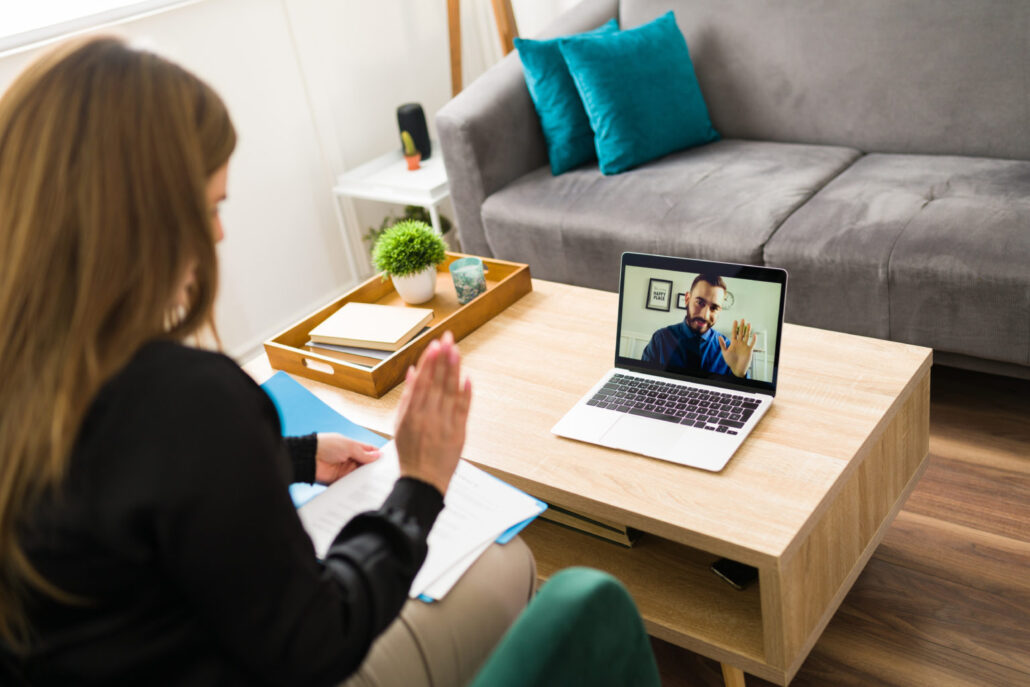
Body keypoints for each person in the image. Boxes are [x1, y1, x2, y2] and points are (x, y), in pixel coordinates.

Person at [0, 37, 534, 686]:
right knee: (520, 569)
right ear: (139, 218)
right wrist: (418, 486)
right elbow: (315, 641)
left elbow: (112, 484)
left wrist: (296, 456)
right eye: (209, 207)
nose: (218, 234)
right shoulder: (185, 399)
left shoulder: (36, 377)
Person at [640, 274, 756, 378]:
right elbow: (644, 381)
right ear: (687, 299)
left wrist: (740, 375)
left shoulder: (728, 349)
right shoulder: (661, 339)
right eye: (700, 303)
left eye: (714, 308)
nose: (704, 315)